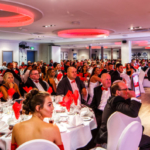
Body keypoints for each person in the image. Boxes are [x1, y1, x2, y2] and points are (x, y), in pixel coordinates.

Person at [95, 81, 150, 150]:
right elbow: (133, 112)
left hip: (118, 133)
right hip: (112, 138)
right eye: (126, 89)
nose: (128, 91)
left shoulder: (119, 101)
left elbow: (133, 110)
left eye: (128, 89)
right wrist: (133, 97)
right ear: (118, 92)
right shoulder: (115, 100)